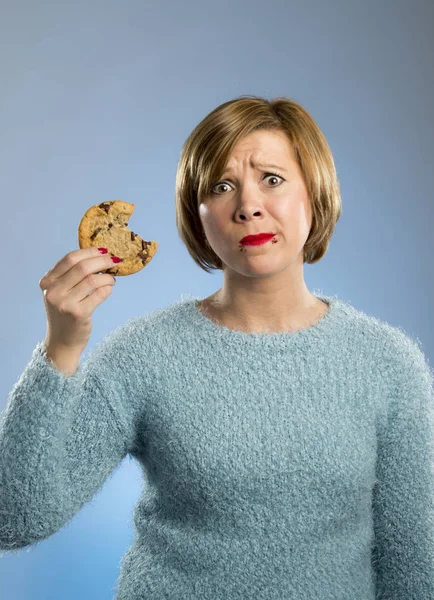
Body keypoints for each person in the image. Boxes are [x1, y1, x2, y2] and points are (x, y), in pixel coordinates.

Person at [1, 95, 433, 600]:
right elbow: (15, 517)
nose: (248, 204)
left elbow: (415, 569)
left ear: (314, 194)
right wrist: (62, 346)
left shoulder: (388, 364)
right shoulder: (143, 355)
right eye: (222, 186)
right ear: (198, 214)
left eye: (271, 179)